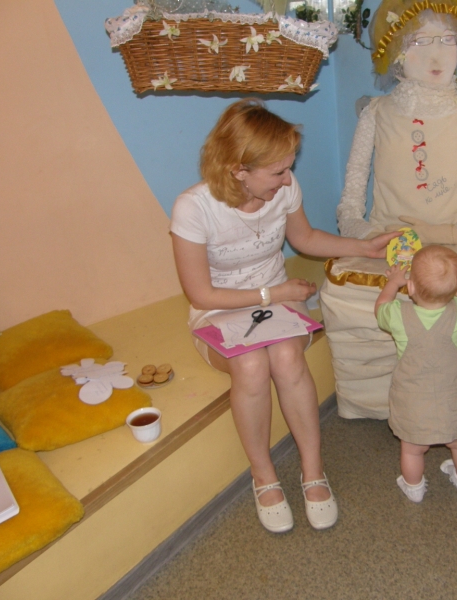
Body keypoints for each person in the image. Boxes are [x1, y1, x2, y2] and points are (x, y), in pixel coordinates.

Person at [170, 99, 399, 533]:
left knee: (288, 358)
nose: (288, 179)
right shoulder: (193, 207)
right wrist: (274, 293)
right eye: (277, 172)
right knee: (251, 365)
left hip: (277, 298)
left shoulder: (284, 189)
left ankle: (313, 471)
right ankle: (264, 476)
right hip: (219, 308)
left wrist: (364, 247)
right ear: (239, 170)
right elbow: (200, 292)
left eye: (289, 167)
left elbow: (305, 238)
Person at [320, 0, 457, 420]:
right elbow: (350, 202)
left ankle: (442, 405)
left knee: (438, 297)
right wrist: (369, 238)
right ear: (396, 53)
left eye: (448, 40)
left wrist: (438, 233)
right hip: (384, 241)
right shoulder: (377, 114)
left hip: (449, 243)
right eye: (420, 42)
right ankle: (369, 405)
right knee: (340, 290)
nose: (437, 54)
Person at [375, 245, 457, 503]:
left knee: (412, 449)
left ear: (410, 287)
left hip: (414, 400)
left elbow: (380, 307)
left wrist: (393, 283)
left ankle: (414, 487)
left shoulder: (398, 315)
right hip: (454, 396)